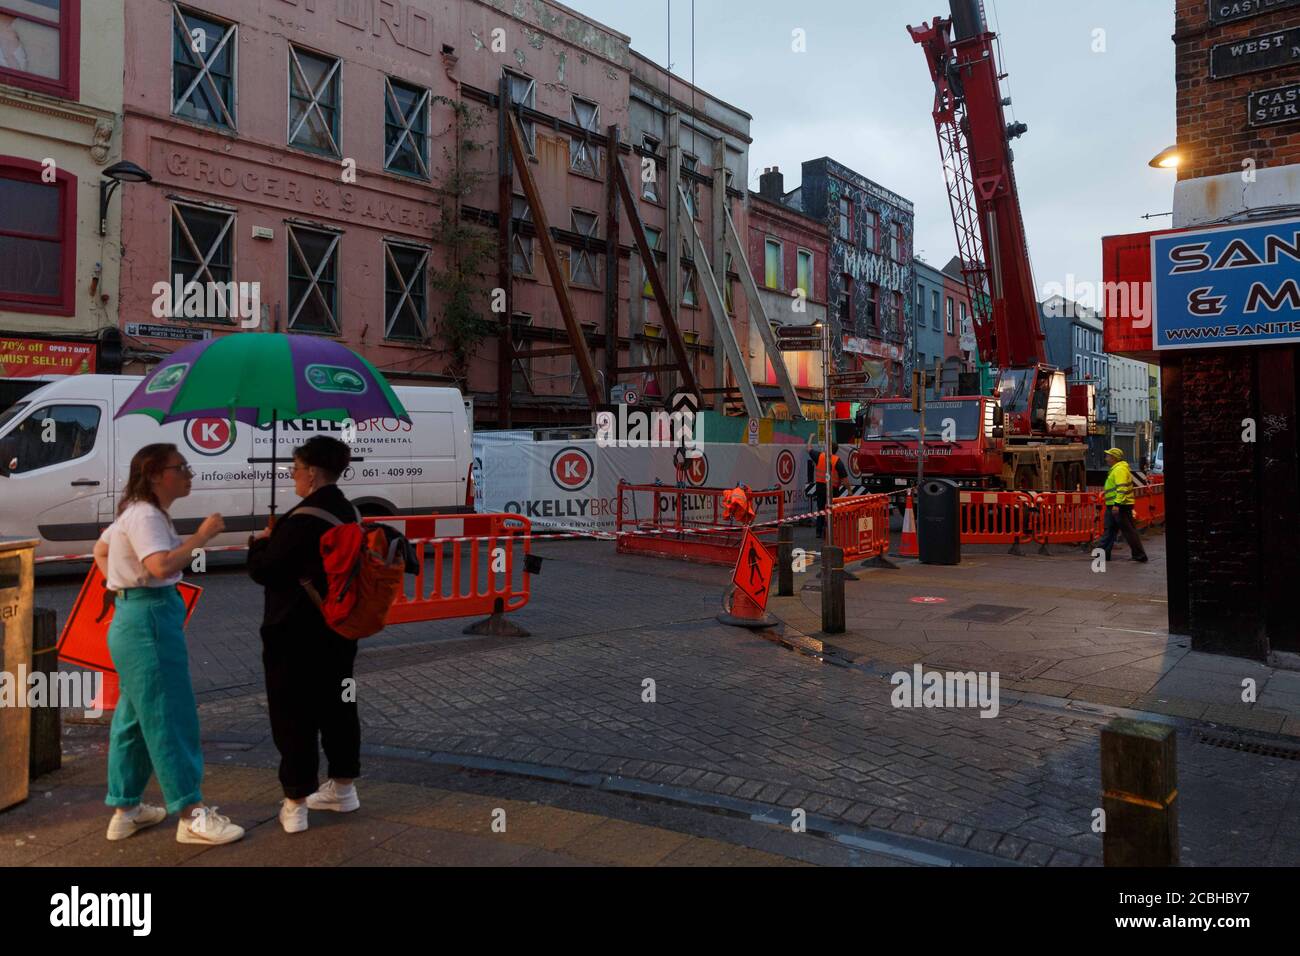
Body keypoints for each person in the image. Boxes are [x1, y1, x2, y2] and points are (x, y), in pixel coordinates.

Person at [92, 443, 244, 845]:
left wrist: (119, 583)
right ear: (157, 474)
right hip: (150, 620)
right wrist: (203, 536)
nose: (189, 474)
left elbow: (100, 549)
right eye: (181, 467)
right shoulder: (146, 515)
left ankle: (126, 809)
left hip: (133, 616)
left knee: (133, 719)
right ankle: (191, 814)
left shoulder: (136, 511)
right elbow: (160, 565)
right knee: (170, 716)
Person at [248, 435, 362, 834]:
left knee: (293, 713)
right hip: (340, 628)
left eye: (295, 468)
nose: (292, 475)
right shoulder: (349, 511)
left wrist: (259, 544)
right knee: (339, 706)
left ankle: (295, 804)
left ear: (312, 472)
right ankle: (343, 788)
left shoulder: (300, 519)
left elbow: (267, 571)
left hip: (293, 632)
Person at [1098, 447, 1148, 564]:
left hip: (1120, 506)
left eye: (1108, 456)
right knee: (1110, 530)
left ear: (1114, 458)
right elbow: (1117, 487)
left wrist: (1117, 504)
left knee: (1128, 531)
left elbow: (1122, 489)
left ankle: (1140, 555)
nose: (1106, 459)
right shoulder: (1117, 469)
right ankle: (1102, 554)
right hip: (1115, 505)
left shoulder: (1120, 470)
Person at [814, 441, 848, 538]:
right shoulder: (837, 461)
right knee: (833, 510)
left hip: (820, 487)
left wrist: (811, 438)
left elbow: (808, 449)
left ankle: (819, 531)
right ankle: (832, 530)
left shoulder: (820, 456)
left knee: (821, 509)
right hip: (833, 489)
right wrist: (849, 491)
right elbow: (844, 479)